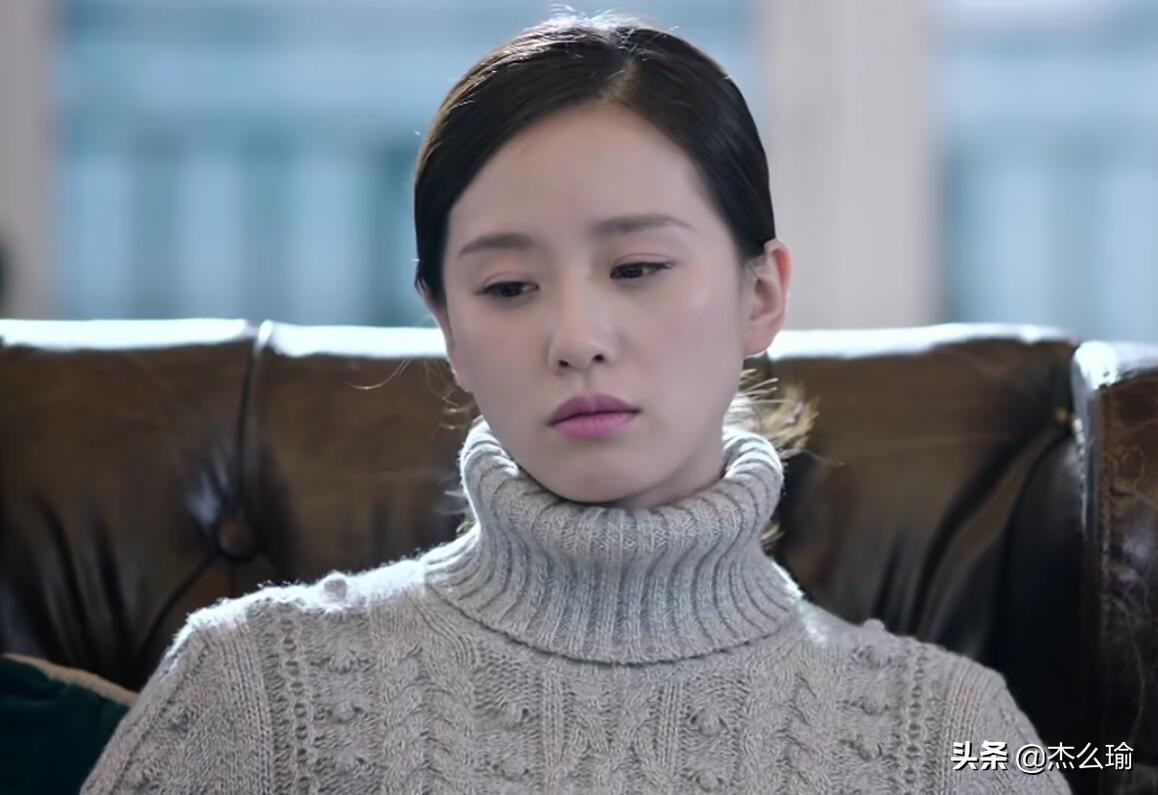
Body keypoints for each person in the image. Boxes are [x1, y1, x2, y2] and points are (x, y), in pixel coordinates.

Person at [83, 11, 1072, 794]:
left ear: (761, 294)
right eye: (509, 287)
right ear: (448, 329)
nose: (576, 337)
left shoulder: (945, 739)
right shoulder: (255, 688)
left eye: (637, 267)